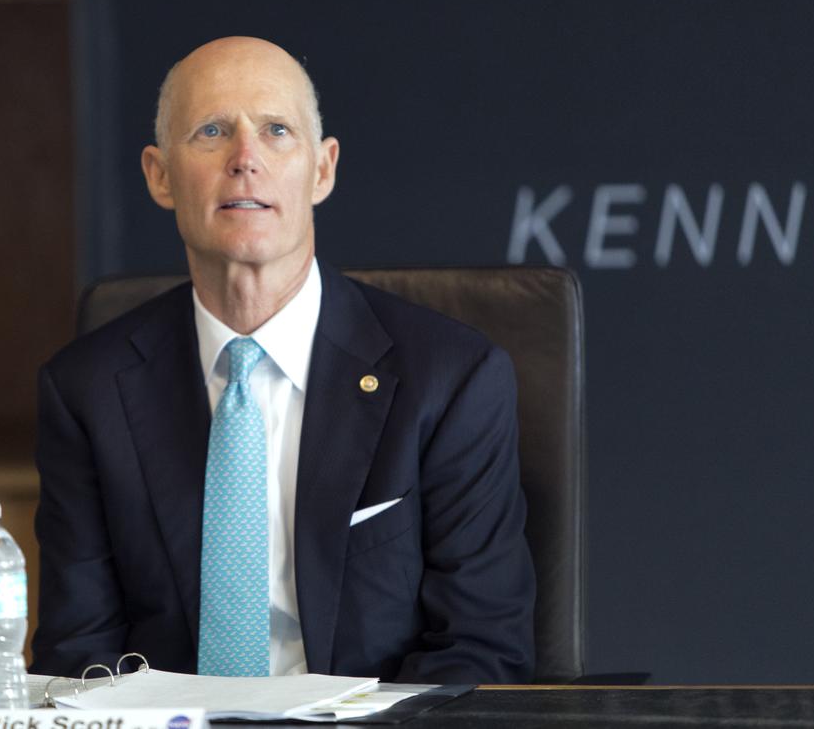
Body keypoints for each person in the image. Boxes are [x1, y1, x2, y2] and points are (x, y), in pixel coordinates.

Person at [30, 36, 535, 683]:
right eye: (212, 131)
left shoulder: (451, 379)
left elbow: (480, 652)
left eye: (275, 130)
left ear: (322, 169)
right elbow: (79, 656)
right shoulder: (86, 390)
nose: (245, 159)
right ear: (159, 176)